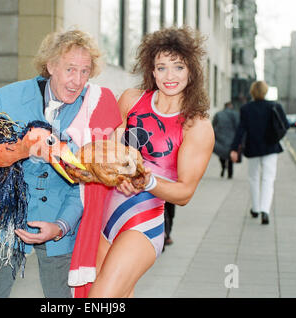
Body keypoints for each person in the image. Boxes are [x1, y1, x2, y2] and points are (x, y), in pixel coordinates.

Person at [0, 29, 122, 298]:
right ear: (50, 65)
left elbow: (86, 183)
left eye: (84, 71)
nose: (77, 80)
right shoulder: (11, 99)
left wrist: (60, 226)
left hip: (62, 221)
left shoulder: (93, 108)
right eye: (70, 69)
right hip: (9, 221)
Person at [87, 26, 214, 298]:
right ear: (152, 71)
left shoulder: (197, 126)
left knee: (99, 298)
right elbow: (106, 152)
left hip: (143, 224)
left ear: (191, 70)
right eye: (162, 67)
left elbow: (185, 193)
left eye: (178, 67)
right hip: (104, 216)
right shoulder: (131, 100)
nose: (170, 76)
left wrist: (149, 181)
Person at [230, 80, 289, 225]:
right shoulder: (274, 106)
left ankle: (255, 208)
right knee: (268, 180)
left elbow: (241, 130)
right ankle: (265, 211)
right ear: (265, 91)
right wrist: (275, 137)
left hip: (253, 148)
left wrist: (233, 149)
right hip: (271, 148)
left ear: (252, 92)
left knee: (253, 178)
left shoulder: (246, 109)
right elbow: (285, 125)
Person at [212, 101, 240, 179]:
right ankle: (230, 173)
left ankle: (223, 167)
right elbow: (238, 127)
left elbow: (213, 126)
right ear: (231, 106)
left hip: (220, 138)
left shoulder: (218, 114)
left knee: (221, 154)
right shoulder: (235, 114)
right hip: (232, 138)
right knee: (231, 154)